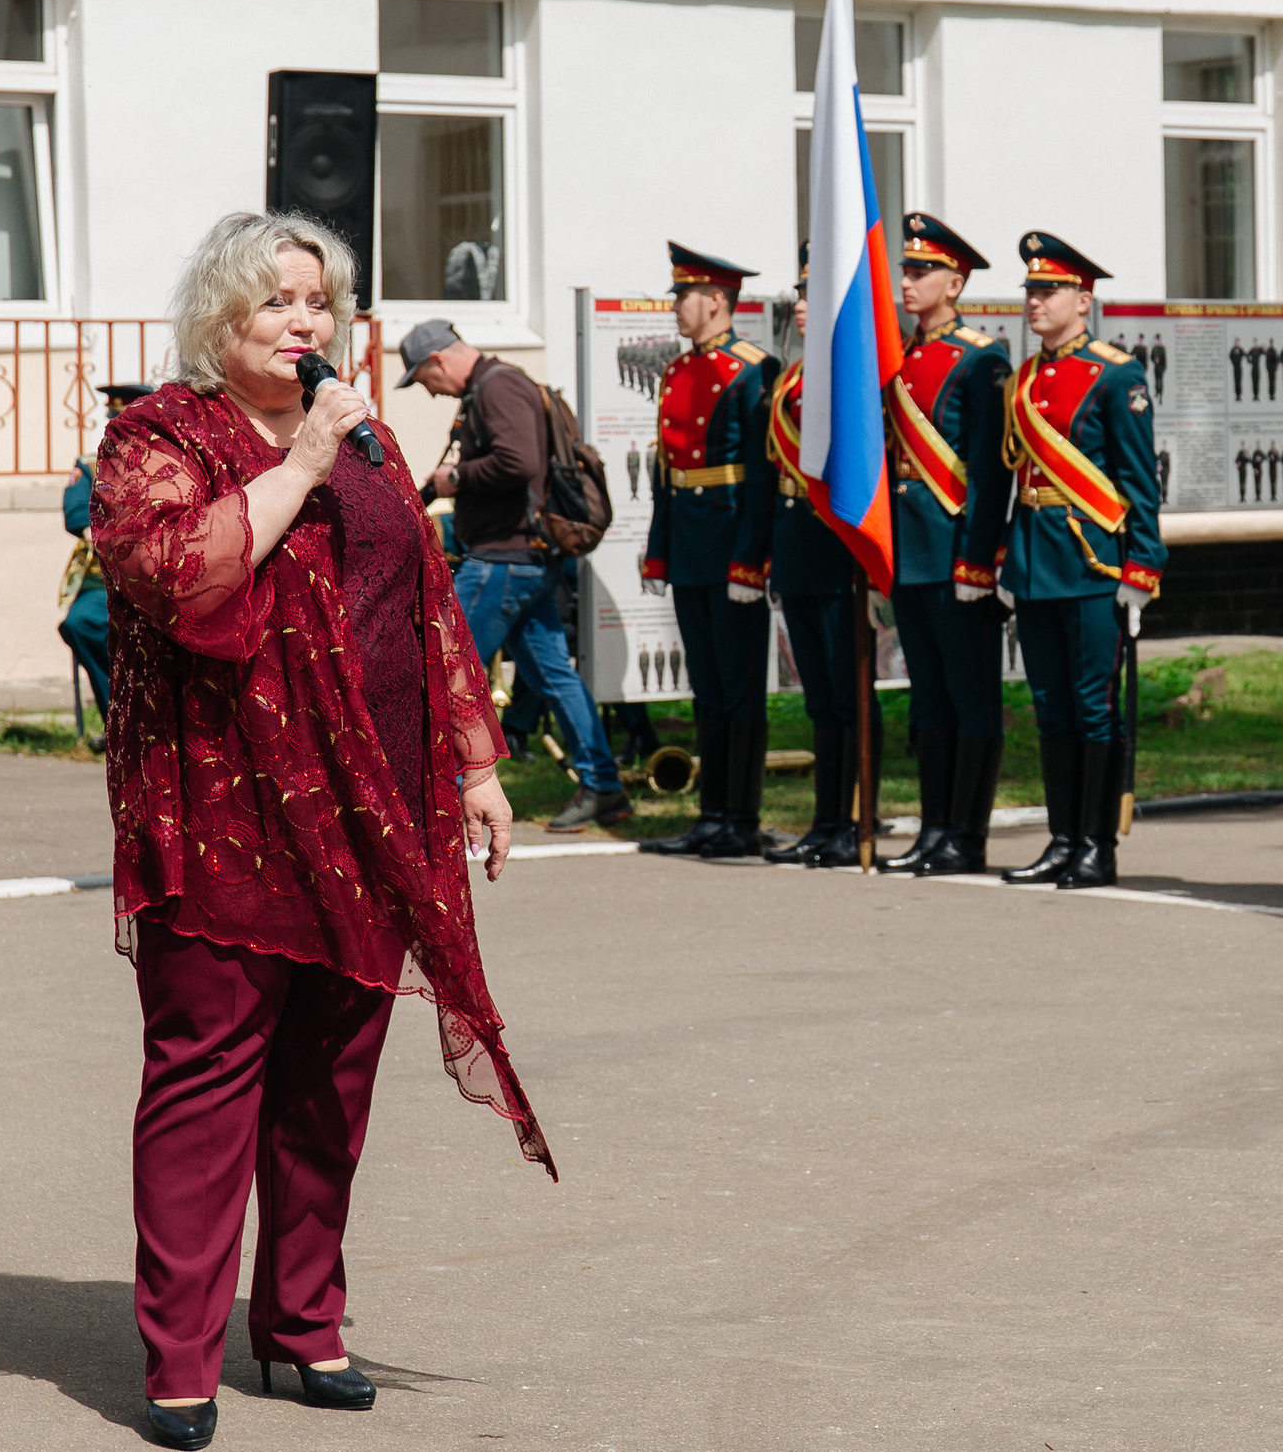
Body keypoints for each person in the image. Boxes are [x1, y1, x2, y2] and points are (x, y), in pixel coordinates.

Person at [88, 211, 549, 1452]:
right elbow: (177, 573)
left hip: (376, 799)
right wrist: (296, 466)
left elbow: (426, 598)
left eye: (319, 302)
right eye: (276, 301)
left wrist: (473, 762)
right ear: (220, 316)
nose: (304, 323)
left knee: (332, 1080)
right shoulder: (159, 437)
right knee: (205, 1081)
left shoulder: (366, 438)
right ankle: (181, 1359)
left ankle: (302, 1325)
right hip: (228, 810)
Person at [402, 316, 631, 833]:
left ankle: (437, 798)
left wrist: (455, 477)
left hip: (503, 561)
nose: (431, 392)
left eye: (424, 379)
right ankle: (603, 786)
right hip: (524, 559)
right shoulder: (500, 383)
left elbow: (519, 462)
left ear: (438, 360)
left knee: (443, 671)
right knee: (555, 678)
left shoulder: (497, 388)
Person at [996, 232, 1163, 890]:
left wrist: (1142, 568)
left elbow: (1139, 481)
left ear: (1083, 301)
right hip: (1035, 562)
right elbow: (1021, 478)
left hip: (1093, 566)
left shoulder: (1116, 375)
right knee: (1051, 706)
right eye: (1031, 290)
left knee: (1094, 707)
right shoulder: (1023, 380)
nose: (1035, 301)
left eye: (1049, 290)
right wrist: (1008, 560)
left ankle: (1097, 845)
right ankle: (1062, 838)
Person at [877, 214, 1012, 876]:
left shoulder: (982, 359)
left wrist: (977, 559)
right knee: (928, 697)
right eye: (905, 270)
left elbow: (988, 472)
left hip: (956, 551)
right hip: (910, 551)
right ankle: (933, 829)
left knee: (970, 698)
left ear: (954, 283)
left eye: (921, 271)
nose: (907, 281)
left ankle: (967, 834)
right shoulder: (898, 357)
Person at [640, 241, 779, 858]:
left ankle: (741, 818)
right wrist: (659, 551)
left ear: (717, 301)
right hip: (692, 544)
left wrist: (751, 560)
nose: (676, 307)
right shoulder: (677, 371)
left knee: (740, 688)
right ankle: (712, 815)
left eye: (685, 296)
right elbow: (667, 473)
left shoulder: (754, 370)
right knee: (706, 687)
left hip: (731, 543)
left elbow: (762, 476)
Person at [766, 241, 879, 868]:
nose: (801, 304)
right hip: (798, 550)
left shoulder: (853, 373)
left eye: (813, 294)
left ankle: (858, 819)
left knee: (847, 695)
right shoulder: (793, 376)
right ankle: (826, 820)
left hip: (839, 551)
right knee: (819, 699)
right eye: (800, 294)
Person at [61, 381, 156, 744]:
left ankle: (151, 724)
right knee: (80, 623)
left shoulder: (166, 464)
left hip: (154, 578)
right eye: (117, 421)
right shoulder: (90, 465)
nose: (123, 430)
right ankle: (117, 720)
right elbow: (75, 514)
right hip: (104, 578)